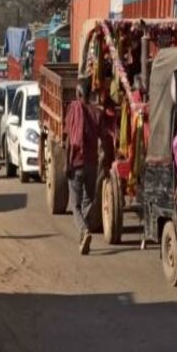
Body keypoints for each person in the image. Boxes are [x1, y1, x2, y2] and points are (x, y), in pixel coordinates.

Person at [65, 79, 102, 255]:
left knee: (75, 205)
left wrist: (67, 164)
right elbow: (104, 137)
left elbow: (70, 140)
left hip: (77, 163)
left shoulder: (74, 109)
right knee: (88, 200)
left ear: (79, 94)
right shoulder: (96, 112)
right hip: (92, 164)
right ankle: (83, 235)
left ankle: (84, 230)